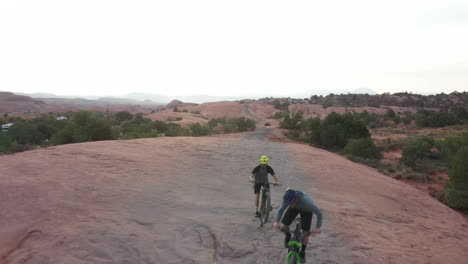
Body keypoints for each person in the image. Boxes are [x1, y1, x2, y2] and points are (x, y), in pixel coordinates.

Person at [273, 189, 322, 263]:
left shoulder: (308, 203)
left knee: (305, 233)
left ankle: (302, 251)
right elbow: (281, 210)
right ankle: (288, 235)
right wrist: (276, 222)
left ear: (296, 199)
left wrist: (318, 228)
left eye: (291, 203)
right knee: (284, 226)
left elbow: (319, 214)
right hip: (295, 208)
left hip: (306, 210)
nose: (290, 205)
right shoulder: (288, 200)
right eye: (288, 203)